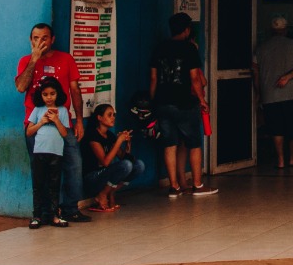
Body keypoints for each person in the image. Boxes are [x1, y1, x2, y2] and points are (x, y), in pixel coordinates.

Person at [14, 23, 90, 223]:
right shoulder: (25, 61)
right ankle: (43, 213)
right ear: (30, 40)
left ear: (52, 39)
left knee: (74, 164)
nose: (40, 42)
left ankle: (70, 208)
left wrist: (79, 120)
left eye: (44, 38)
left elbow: (75, 90)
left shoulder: (66, 59)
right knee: (40, 170)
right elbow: (21, 87)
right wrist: (34, 59)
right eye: (36, 38)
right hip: (36, 125)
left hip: (63, 123)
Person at [150, 12, 217, 196]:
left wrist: (153, 103)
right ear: (187, 30)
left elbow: (153, 78)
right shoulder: (189, 48)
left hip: (163, 103)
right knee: (194, 143)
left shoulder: (159, 48)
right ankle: (198, 185)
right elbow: (195, 78)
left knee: (170, 144)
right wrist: (202, 100)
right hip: (185, 104)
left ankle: (174, 187)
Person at [252, 15, 293, 169]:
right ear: (286, 30)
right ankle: (292, 158)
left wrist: (259, 92)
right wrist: (288, 76)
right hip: (292, 95)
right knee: (292, 128)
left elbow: (255, 72)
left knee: (276, 129)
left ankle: (280, 160)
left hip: (269, 96)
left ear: (271, 30)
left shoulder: (261, 48)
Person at [82, 103, 149, 210]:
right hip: (93, 178)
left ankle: (110, 193)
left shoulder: (109, 135)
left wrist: (127, 143)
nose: (113, 118)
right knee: (126, 165)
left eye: (114, 115)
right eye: (109, 115)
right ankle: (102, 194)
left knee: (139, 165)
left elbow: (124, 158)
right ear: (99, 118)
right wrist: (118, 141)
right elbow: (105, 162)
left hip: (106, 177)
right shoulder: (92, 135)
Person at [25, 77, 72, 227]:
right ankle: (37, 216)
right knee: (38, 184)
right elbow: (29, 132)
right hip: (39, 151)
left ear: (58, 94)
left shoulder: (62, 111)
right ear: (41, 95)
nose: (49, 97)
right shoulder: (37, 110)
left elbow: (64, 133)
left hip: (56, 153)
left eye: (52, 94)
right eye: (45, 94)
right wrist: (42, 122)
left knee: (54, 184)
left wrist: (56, 120)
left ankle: (54, 215)